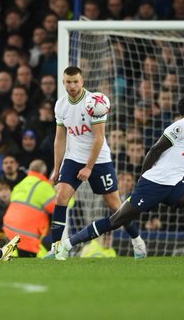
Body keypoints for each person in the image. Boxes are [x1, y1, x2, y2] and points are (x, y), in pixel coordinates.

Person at [52, 95, 184, 261]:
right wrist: (143, 179)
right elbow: (155, 150)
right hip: (153, 184)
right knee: (116, 220)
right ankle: (67, 245)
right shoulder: (181, 126)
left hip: (172, 185)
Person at [48, 66, 146, 258]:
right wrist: (57, 168)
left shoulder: (95, 102)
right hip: (73, 158)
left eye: (76, 81)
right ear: (63, 82)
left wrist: (89, 167)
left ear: (82, 81)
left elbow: (99, 138)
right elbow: (60, 138)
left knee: (116, 207)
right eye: (68, 82)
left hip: (99, 160)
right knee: (61, 197)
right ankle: (56, 248)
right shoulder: (60, 105)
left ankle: (137, 240)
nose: (72, 85)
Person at [3, 160, 56, 257]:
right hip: (28, 233)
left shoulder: (20, 184)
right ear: (44, 172)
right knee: (40, 260)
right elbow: (57, 208)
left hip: (9, 228)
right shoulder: (44, 187)